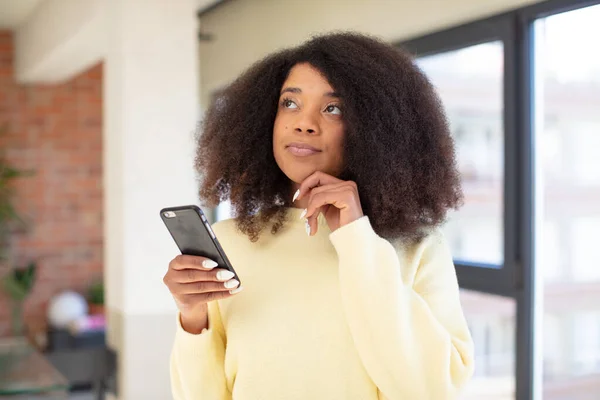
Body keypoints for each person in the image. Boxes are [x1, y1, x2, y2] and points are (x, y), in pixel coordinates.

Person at [163, 32, 474, 400]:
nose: (304, 123)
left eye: (333, 108)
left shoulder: (416, 247)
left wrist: (357, 240)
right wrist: (192, 315)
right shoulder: (231, 241)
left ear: (377, 129)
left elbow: (434, 390)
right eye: (289, 103)